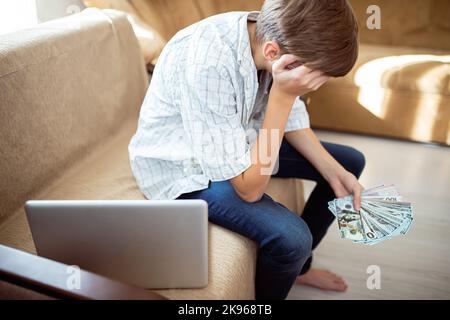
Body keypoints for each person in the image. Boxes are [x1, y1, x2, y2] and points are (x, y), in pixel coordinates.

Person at [129, 0, 366, 300]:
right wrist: (283, 95)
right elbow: (248, 190)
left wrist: (334, 173)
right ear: (274, 54)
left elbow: (291, 120)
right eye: (315, 77)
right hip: (184, 166)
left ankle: (299, 269)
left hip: (237, 138)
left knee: (349, 163)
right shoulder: (208, 63)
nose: (316, 86)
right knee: (292, 238)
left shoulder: (268, 32)